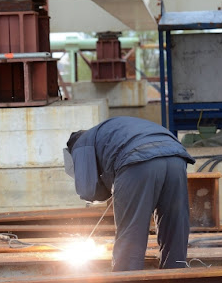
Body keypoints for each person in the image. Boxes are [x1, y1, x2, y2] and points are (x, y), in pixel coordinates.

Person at [64, 116, 195, 271]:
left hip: (138, 161)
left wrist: (114, 189)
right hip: (176, 158)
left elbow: (88, 191)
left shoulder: (80, 143)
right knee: (175, 223)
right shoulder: (109, 132)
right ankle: (176, 277)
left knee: (132, 229)